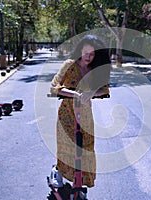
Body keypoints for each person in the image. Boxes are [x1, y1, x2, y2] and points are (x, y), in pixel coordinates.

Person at [50, 35, 111, 189]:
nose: (88, 57)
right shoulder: (69, 65)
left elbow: (104, 89)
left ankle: (80, 181)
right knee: (67, 146)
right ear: (80, 50)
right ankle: (58, 171)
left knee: (86, 148)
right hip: (67, 112)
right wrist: (75, 94)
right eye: (85, 53)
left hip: (85, 113)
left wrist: (91, 93)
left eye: (92, 54)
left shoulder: (95, 70)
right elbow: (54, 87)